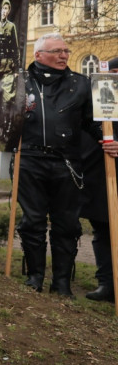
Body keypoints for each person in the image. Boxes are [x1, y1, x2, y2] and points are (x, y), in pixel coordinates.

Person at [16, 33, 101, 297]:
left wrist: (107, 139)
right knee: (33, 221)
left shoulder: (82, 84)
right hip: (28, 159)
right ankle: (35, 277)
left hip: (67, 164)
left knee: (67, 223)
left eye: (66, 50)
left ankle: (62, 281)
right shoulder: (18, 81)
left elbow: (96, 122)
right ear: (38, 55)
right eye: (57, 51)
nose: (64, 55)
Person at [80, 56, 118, 302]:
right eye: (113, 73)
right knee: (104, 231)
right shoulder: (99, 99)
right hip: (102, 175)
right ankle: (107, 284)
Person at [0, 0, 21, 135]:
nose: (4, 11)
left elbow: (15, 48)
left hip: (8, 68)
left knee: (7, 99)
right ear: (0, 10)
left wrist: (16, 69)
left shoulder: (11, 27)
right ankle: (1, 126)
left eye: (7, 9)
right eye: (3, 8)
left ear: (9, 11)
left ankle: (7, 128)